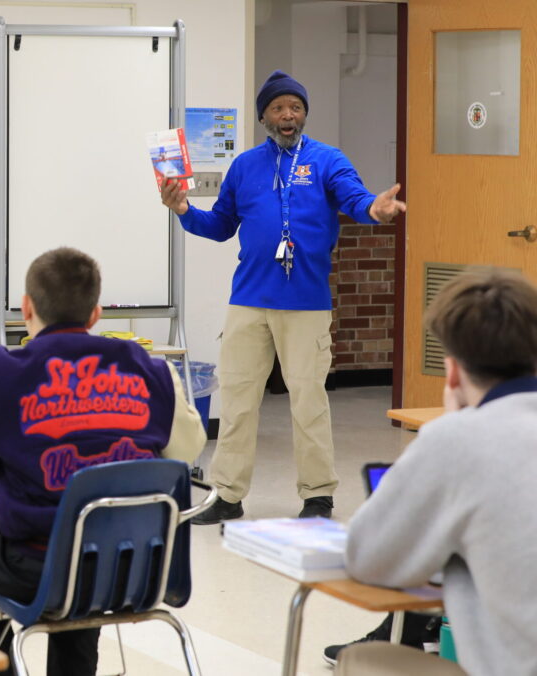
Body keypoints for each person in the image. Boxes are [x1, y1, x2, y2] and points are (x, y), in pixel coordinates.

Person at [0, 247, 206, 676]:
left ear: (26, 308)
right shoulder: (152, 371)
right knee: (88, 537)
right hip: (135, 566)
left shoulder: (0, 373)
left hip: (39, 566)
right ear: (95, 314)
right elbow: (188, 448)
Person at [160, 70, 407, 524]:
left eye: (295, 107)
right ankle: (227, 495)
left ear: (304, 114)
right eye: (278, 108)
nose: (287, 115)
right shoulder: (244, 167)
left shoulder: (327, 160)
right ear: (264, 117)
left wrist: (375, 208)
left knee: (309, 403)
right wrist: (184, 210)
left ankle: (318, 495)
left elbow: (355, 199)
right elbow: (220, 225)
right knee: (238, 402)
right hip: (248, 301)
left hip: (306, 304)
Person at [334, 269, 537, 675]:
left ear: (454, 372)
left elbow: (367, 557)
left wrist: (452, 423)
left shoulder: (458, 438)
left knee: (361, 660)